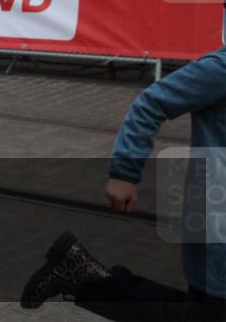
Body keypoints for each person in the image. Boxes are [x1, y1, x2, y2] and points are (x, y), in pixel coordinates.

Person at [21, 46, 226, 320]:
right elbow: (152, 102)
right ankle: (86, 279)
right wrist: (125, 171)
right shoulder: (220, 69)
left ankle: (85, 277)